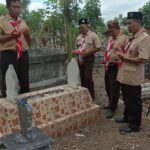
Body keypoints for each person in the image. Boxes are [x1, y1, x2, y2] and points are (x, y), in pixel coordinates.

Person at [116, 12, 150, 133]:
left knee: (133, 101)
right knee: (126, 98)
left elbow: (143, 59)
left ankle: (134, 125)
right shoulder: (134, 36)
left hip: (133, 76)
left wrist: (125, 58)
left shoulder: (144, 38)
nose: (128, 26)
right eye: (127, 23)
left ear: (138, 22)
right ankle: (127, 117)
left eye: (130, 23)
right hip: (126, 74)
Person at [0, 0, 31, 97]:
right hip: (9, 55)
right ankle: (7, 106)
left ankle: (25, 104)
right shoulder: (2, 22)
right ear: (8, 7)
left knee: (25, 81)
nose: (17, 9)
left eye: (19, 7)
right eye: (14, 7)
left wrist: (27, 35)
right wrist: (11, 36)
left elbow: (29, 41)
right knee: (8, 82)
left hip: (23, 54)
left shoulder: (23, 22)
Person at [102, 20, 128, 119]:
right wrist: (105, 58)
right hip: (108, 65)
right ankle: (110, 103)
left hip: (116, 66)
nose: (111, 33)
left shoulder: (124, 39)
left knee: (114, 87)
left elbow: (127, 53)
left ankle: (113, 108)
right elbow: (109, 51)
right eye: (110, 31)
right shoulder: (111, 39)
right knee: (107, 86)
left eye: (112, 31)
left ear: (118, 29)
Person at [73, 19, 101, 100]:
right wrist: (76, 51)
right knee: (82, 76)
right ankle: (84, 94)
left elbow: (98, 47)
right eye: (80, 28)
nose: (81, 29)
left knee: (88, 77)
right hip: (80, 58)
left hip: (89, 58)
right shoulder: (78, 37)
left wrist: (88, 52)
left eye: (82, 28)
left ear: (87, 26)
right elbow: (78, 48)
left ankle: (91, 94)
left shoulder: (93, 35)